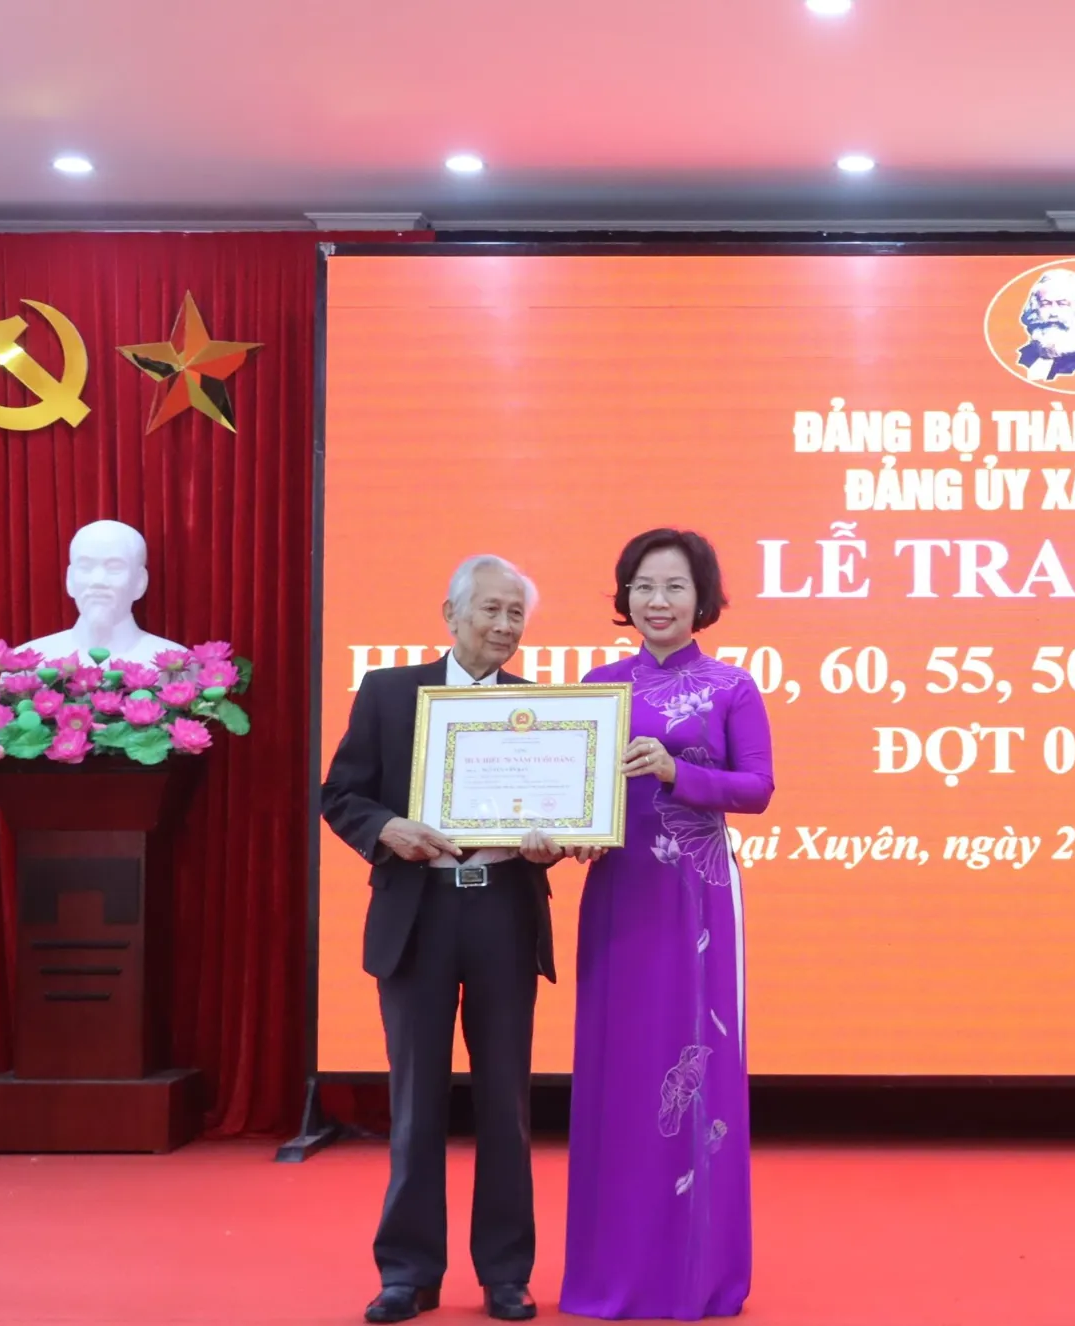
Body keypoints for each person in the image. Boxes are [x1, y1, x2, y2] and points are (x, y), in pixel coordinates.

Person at [321, 554, 563, 1324]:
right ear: (451, 614)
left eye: (516, 614)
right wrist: (387, 828)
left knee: (505, 1102)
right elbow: (341, 794)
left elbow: (561, 814)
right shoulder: (389, 693)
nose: (504, 625)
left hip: (503, 911)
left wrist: (553, 842)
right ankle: (408, 1272)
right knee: (416, 1103)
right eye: (490, 609)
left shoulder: (541, 710)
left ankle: (506, 1273)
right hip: (418, 913)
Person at [560, 529, 775, 1321]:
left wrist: (673, 771)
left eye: (675, 587)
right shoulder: (597, 686)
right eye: (643, 586)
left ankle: (694, 1273)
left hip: (694, 899)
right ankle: (613, 1271)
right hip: (619, 893)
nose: (657, 601)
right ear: (625, 596)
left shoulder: (731, 687)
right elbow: (575, 789)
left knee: (693, 1067)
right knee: (618, 1071)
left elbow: (757, 788)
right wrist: (566, 832)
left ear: (701, 599)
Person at [19, 519, 185, 665]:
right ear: (69, 579)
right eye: (85, 567)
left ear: (140, 582)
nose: (97, 581)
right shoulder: (28, 663)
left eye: (114, 567)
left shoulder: (177, 665)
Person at [1014, 268, 1075, 381]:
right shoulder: (1020, 358)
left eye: (1062, 304)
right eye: (1046, 304)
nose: (1053, 313)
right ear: (1035, 309)